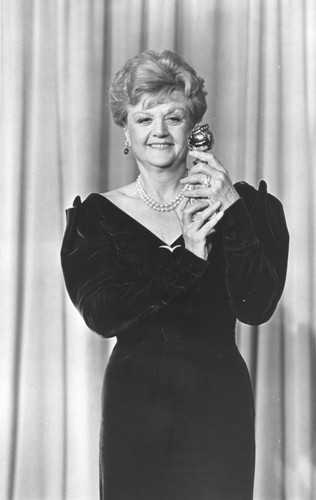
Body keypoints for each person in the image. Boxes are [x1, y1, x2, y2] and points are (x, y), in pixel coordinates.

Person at [61, 49, 289, 500]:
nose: (160, 132)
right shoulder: (96, 217)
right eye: (144, 119)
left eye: (174, 117)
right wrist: (188, 256)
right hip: (136, 408)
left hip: (218, 405)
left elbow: (257, 307)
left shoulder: (247, 207)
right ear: (125, 130)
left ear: (195, 127)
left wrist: (232, 209)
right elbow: (103, 315)